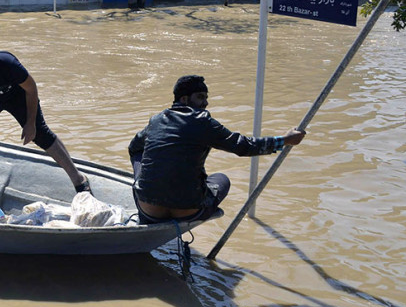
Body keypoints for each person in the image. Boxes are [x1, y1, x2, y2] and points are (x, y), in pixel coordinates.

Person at [128, 75, 306, 224]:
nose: (205, 103)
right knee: (222, 179)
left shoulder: (156, 120)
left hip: (149, 210)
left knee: (139, 156)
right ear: (184, 99)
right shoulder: (203, 121)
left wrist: (144, 178)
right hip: (188, 211)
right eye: (200, 97)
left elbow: (133, 148)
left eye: (206, 98)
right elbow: (244, 146)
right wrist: (285, 140)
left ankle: (147, 192)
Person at [0, 39, 89, 207]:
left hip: (16, 95)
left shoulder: (9, 64)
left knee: (41, 134)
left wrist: (31, 123)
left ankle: (78, 179)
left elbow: (31, 88)